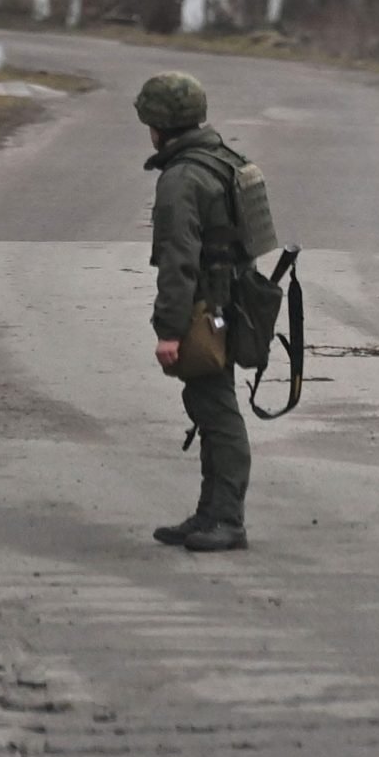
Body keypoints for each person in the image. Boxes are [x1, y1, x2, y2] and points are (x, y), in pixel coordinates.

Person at [138, 71, 253, 553]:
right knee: (209, 405)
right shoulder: (223, 159)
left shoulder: (182, 178)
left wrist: (169, 330)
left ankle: (227, 519)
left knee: (217, 410)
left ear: (161, 125)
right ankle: (209, 513)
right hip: (231, 300)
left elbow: (178, 258)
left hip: (205, 308)